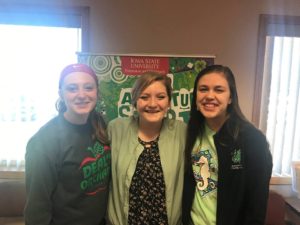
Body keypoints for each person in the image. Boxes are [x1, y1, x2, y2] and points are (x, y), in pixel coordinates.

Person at [182, 65, 272, 225]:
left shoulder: (253, 140)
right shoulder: (192, 132)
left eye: (218, 90)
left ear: (230, 97)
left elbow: (256, 207)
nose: (209, 96)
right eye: (203, 89)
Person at [24, 63, 111, 225]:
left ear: (97, 92)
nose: (81, 95)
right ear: (61, 93)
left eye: (88, 88)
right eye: (72, 88)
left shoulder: (100, 125)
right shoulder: (43, 142)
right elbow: (36, 210)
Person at [107, 72, 186, 225]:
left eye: (161, 97)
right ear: (135, 100)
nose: (152, 104)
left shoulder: (181, 132)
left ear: (169, 102)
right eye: (144, 97)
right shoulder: (116, 129)